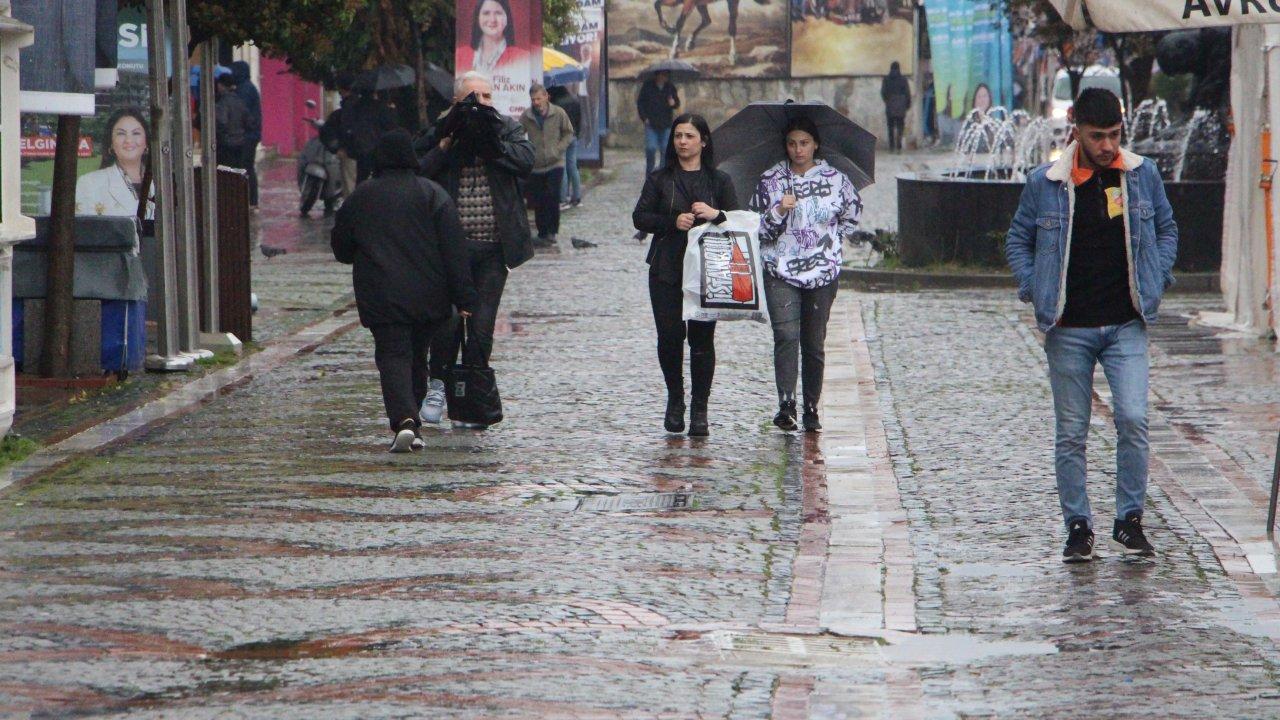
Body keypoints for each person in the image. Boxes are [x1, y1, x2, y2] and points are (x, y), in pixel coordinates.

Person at [1004, 88, 1178, 563]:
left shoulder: (1141, 175)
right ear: (1076, 130)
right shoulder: (1046, 183)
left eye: (1115, 135)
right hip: (1068, 326)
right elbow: (1018, 239)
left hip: (1126, 322)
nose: (1107, 146)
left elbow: (1167, 229)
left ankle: (1130, 520)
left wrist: (1157, 276)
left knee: (1134, 418)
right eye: (1098, 136)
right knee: (1071, 432)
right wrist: (1033, 286)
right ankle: (1078, 527)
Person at [331, 129, 478, 452]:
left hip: (380, 293)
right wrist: (464, 297)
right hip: (429, 294)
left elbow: (341, 248)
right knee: (417, 355)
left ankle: (405, 420)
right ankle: (413, 423)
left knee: (393, 355)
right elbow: (454, 250)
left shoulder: (361, 197)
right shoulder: (433, 195)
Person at [414, 71, 535, 428]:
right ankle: (438, 386)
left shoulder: (506, 128)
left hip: (494, 248)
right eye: (473, 97)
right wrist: (445, 143)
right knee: (448, 323)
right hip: (449, 251)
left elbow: (526, 161)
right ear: (456, 101)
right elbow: (418, 171)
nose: (480, 104)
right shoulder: (442, 130)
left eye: (486, 96)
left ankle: (473, 396)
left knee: (482, 326)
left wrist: (491, 144)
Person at [748, 117, 861, 433]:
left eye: (804, 143)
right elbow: (756, 228)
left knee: (813, 342)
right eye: (792, 143)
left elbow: (852, 215)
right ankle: (786, 404)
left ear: (815, 145)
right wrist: (779, 210)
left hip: (822, 272)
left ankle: (812, 406)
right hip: (780, 269)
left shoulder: (836, 180)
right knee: (786, 336)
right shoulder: (771, 179)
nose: (798, 150)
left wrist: (831, 242)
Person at [632, 113, 738, 437]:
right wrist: (672, 221)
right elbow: (640, 217)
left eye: (689, 136)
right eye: (678, 135)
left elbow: (738, 222)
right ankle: (675, 399)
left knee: (702, 340)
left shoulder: (719, 181)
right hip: (666, 268)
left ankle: (699, 408)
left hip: (708, 271)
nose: (682, 142)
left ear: (703, 141)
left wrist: (716, 214)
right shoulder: (659, 178)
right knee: (669, 337)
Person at [520, 84, 575, 248]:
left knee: (552, 196)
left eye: (538, 98)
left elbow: (568, 133)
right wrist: (526, 151)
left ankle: (552, 231)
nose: (536, 102)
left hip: (555, 163)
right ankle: (542, 233)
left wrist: (558, 150)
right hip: (536, 165)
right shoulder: (527, 116)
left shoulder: (558, 113)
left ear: (546, 97)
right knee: (538, 200)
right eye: (533, 99)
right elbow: (518, 133)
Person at [76, 108, 154, 219]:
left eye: (136, 133)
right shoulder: (89, 184)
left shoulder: (164, 182)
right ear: (111, 143)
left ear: (146, 142)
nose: (128, 140)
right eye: (121, 134)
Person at [456, 0, 531, 76]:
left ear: (507, 18)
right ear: (477, 17)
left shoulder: (522, 57)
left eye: (498, 13)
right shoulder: (461, 55)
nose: (492, 20)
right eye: (486, 13)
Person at [341, 90, 399, 184]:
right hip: (378, 148)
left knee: (361, 179)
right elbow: (390, 126)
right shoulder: (380, 107)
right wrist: (392, 111)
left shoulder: (355, 107)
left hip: (361, 149)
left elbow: (347, 127)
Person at [320, 75, 360, 199]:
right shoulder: (365, 105)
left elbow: (331, 130)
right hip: (368, 153)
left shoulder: (347, 109)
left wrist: (337, 148)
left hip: (351, 153)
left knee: (350, 188)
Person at [229, 61, 262, 207]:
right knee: (247, 167)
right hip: (250, 135)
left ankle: (250, 199)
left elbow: (240, 111)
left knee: (245, 167)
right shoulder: (245, 87)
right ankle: (250, 199)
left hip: (248, 136)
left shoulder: (245, 89)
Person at [637, 70, 680, 176]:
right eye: (663, 75)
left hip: (666, 124)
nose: (664, 77)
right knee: (651, 148)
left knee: (665, 149)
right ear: (657, 75)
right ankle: (650, 173)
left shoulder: (670, 87)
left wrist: (673, 103)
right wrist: (644, 118)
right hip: (651, 124)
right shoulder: (648, 86)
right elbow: (640, 103)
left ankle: (662, 174)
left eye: (666, 75)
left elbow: (677, 103)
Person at [549, 84, 583, 209]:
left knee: (562, 167)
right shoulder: (575, 100)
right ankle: (577, 197)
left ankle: (563, 199)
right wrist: (577, 133)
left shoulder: (556, 104)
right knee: (573, 167)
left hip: (561, 138)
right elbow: (579, 119)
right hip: (573, 136)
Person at [215, 74, 252, 177]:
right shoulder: (240, 101)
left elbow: (222, 122)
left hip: (226, 145)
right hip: (240, 143)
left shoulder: (223, 102)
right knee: (237, 173)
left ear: (221, 85)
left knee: (225, 174)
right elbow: (249, 122)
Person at [880, 61, 911, 153]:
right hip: (901, 106)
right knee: (900, 127)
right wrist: (907, 105)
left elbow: (883, 92)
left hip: (890, 105)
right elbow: (907, 93)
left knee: (890, 127)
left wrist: (887, 101)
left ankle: (891, 147)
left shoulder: (886, 79)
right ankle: (899, 147)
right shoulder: (903, 79)